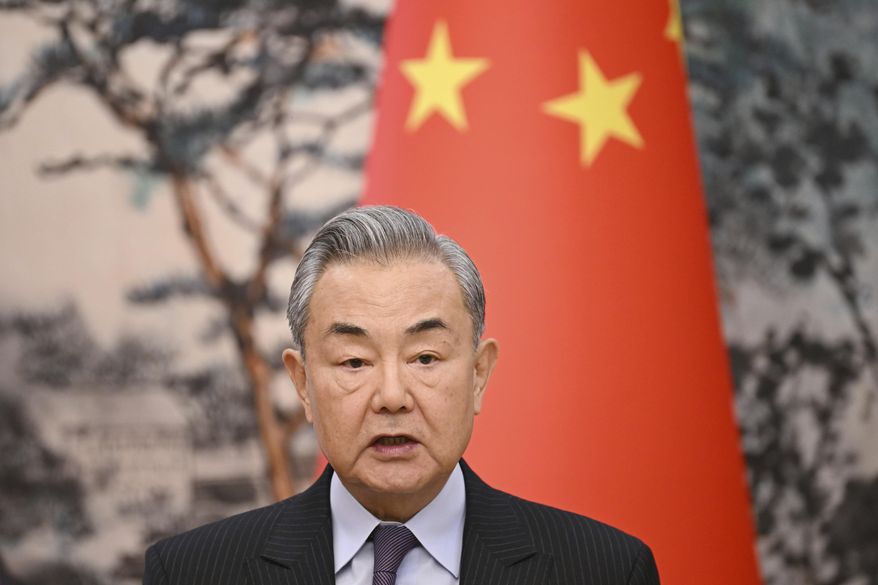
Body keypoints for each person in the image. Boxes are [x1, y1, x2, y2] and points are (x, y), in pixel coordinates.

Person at [143, 205, 660, 585]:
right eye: (354, 362)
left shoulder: (605, 570)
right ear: (302, 384)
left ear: (479, 375)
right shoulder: (191, 573)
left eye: (425, 358)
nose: (392, 397)